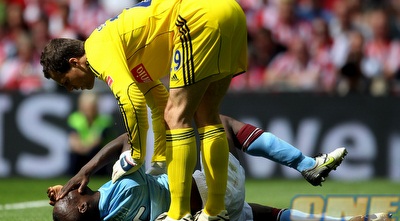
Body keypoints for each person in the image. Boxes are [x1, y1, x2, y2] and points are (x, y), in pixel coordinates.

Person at [40, 0, 247, 219]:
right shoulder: (124, 48)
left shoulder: (97, 54)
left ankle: (178, 214)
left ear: (74, 62)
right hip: (229, 11)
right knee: (206, 116)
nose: (70, 89)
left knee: (177, 116)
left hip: (197, 18)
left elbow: (132, 100)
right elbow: (156, 99)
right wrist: (158, 156)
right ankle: (215, 211)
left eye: (65, 81)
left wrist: (135, 155)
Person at [53, 114, 348, 220]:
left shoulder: (103, 215)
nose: (67, 191)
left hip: (204, 212)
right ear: (81, 206)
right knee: (219, 123)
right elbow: (127, 141)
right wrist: (86, 170)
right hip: (212, 196)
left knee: (257, 215)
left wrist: (65, 201)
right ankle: (306, 164)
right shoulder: (120, 183)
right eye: (71, 196)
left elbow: (78, 210)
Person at [67, 91, 114, 175]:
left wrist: (84, 148)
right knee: (74, 155)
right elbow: (74, 141)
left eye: (91, 108)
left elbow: (97, 141)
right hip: (80, 154)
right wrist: (82, 148)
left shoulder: (104, 120)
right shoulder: (75, 118)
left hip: (97, 156)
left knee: (97, 152)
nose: (88, 111)